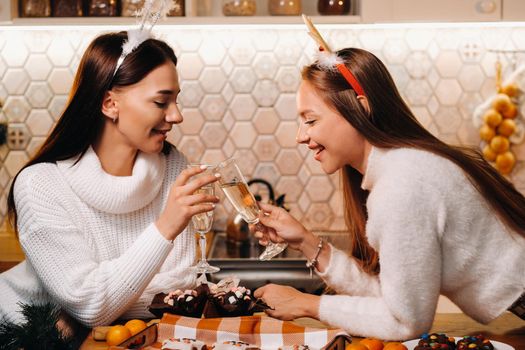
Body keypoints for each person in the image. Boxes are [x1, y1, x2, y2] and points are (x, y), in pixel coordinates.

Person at [253, 46, 525, 340]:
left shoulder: (402, 185)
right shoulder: (402, 166)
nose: (300, 136)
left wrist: (307, 304)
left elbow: (404, 322)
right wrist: (306, 242)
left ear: (361, 106)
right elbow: (393, 300)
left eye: (311, 120)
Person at [0, 30, 219, 328]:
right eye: (161, 102)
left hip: (114, 337)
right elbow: (93, 306)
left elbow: (182, 288)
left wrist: (95, 305)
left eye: (176, 101)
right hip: (25, 337)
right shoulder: (40, 185)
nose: (177, 116)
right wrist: (166, 226)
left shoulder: (172, 165)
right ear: (109, 104)